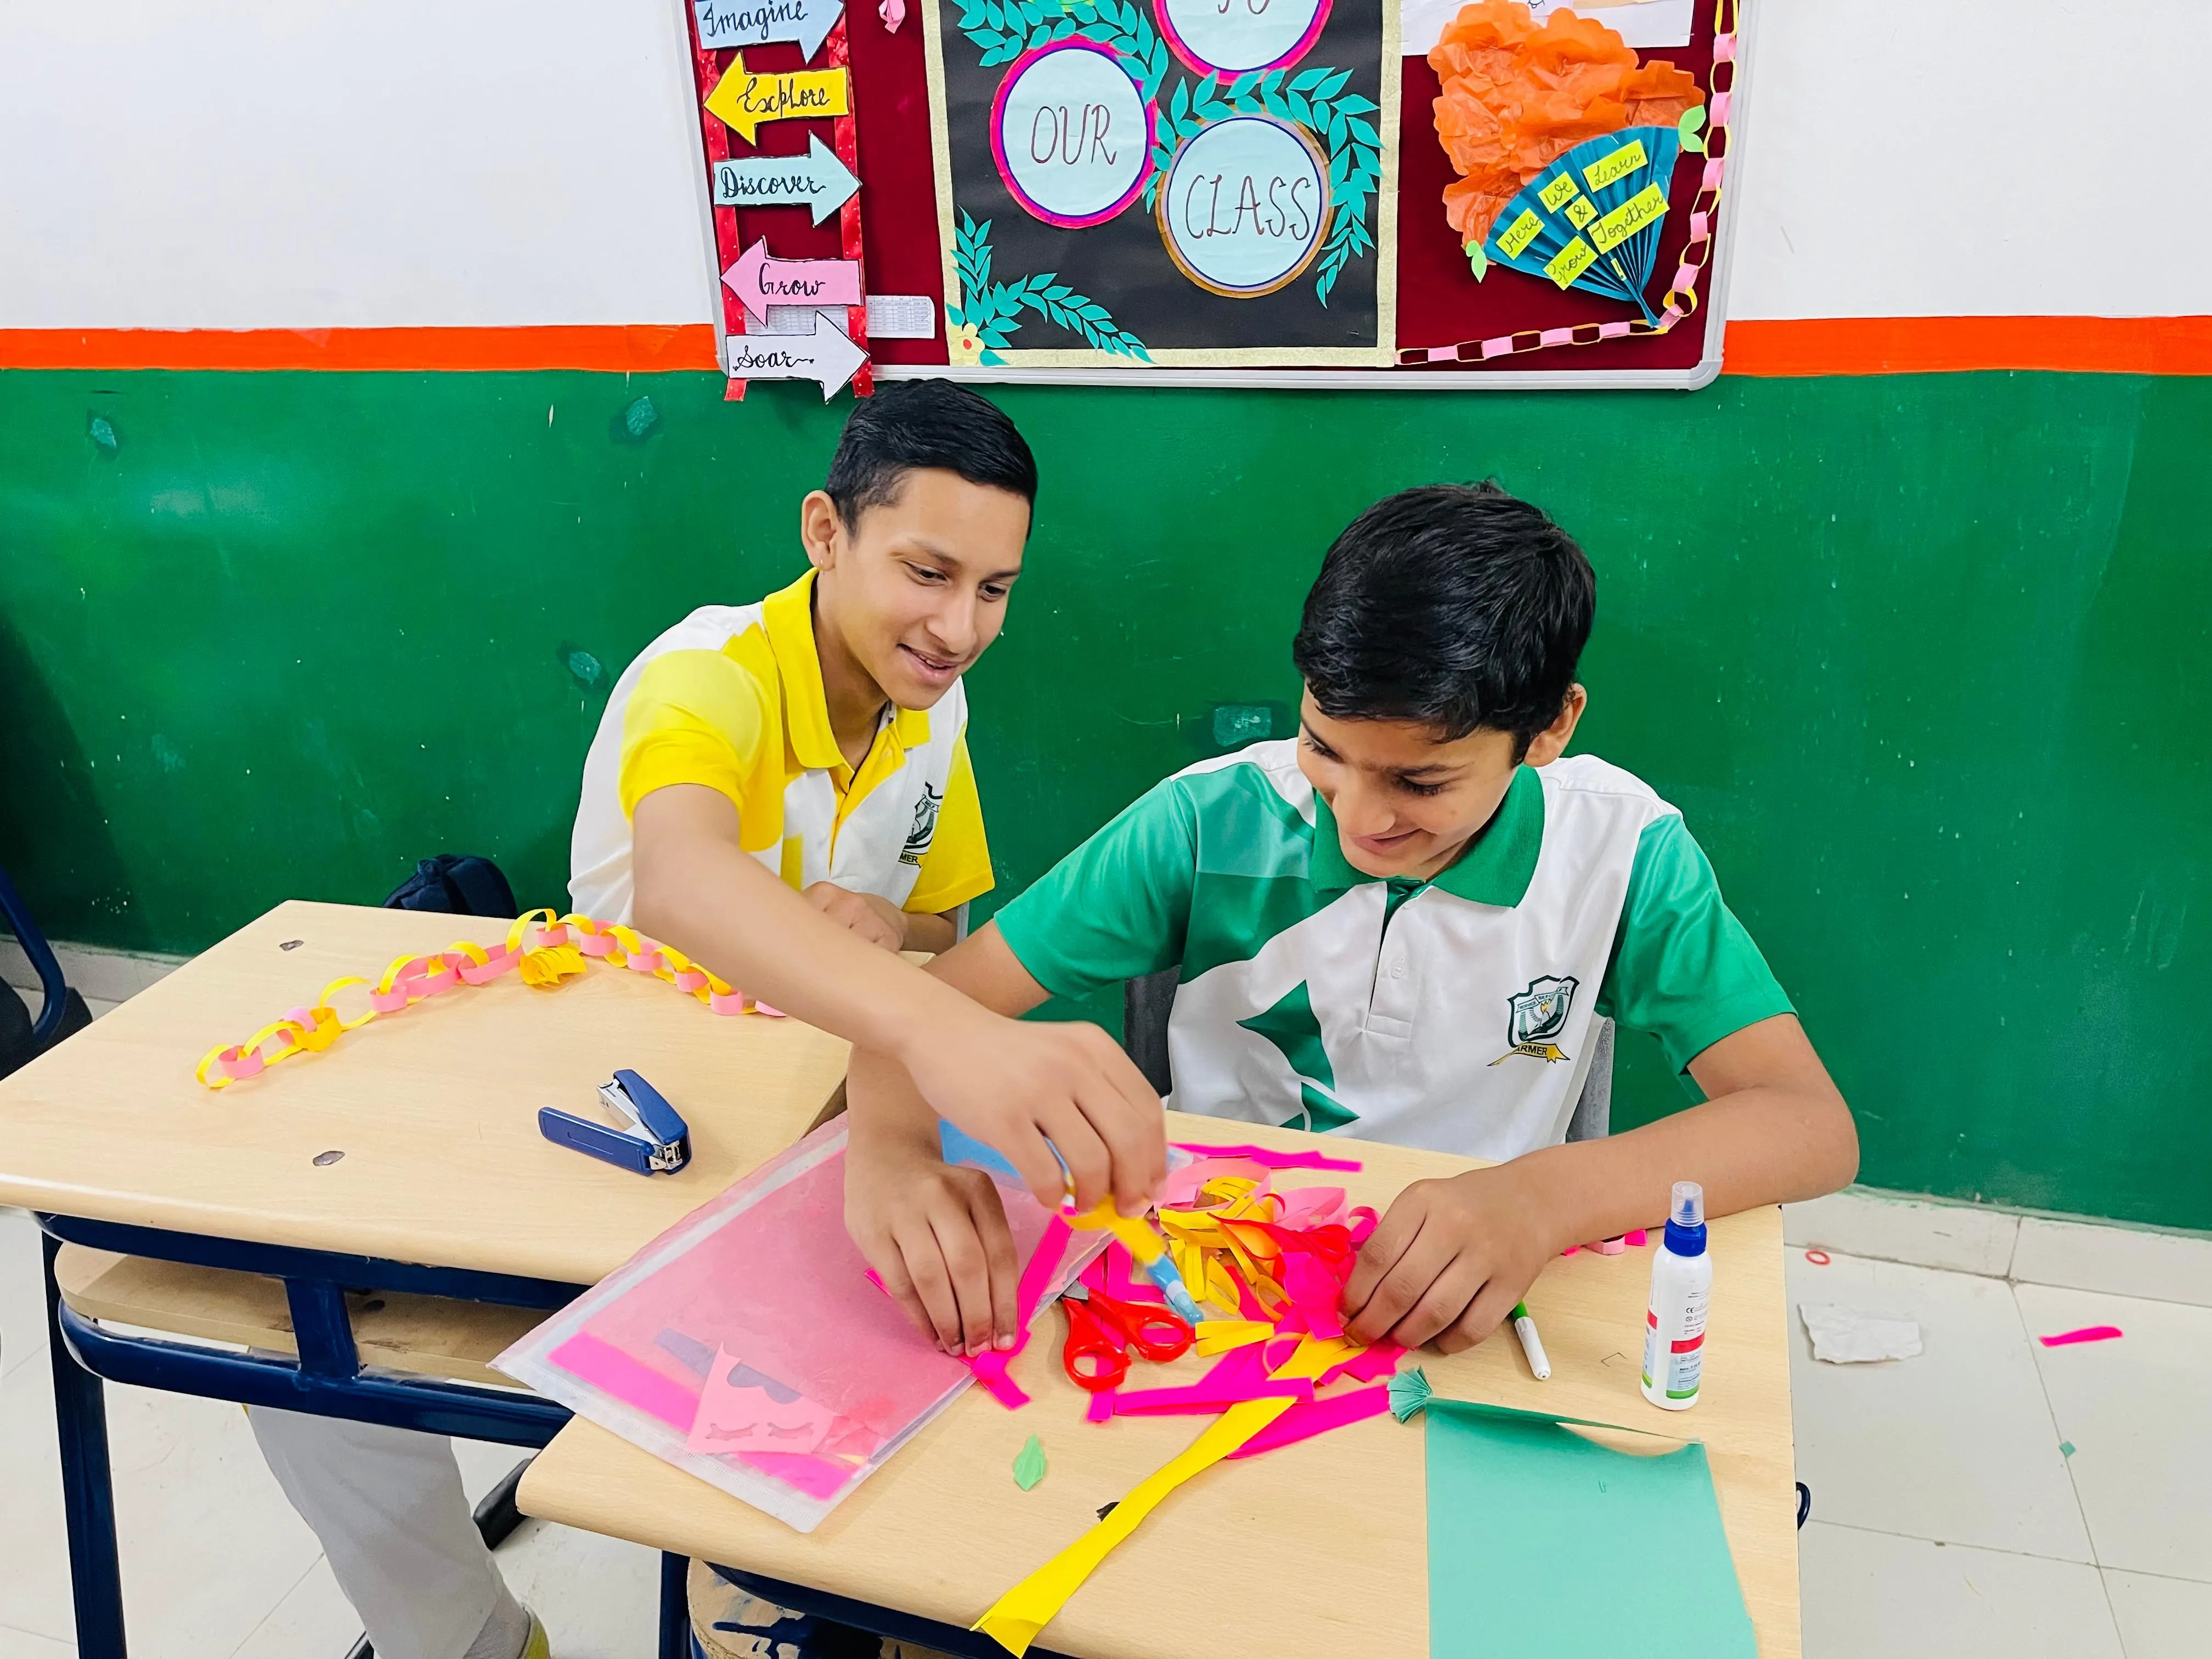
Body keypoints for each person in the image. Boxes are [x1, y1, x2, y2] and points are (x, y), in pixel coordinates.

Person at [250, 381, 1163, 1659]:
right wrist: (940, 1031)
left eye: (995, 589)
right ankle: (467, 1638)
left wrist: (884, 926)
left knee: (980, 1331)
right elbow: (682, 876)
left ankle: (834, 1595)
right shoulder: (709, 675)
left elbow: (941, 926)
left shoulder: (932, 705)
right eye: (927, 573)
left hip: (806, 1114)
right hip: (625, 1104)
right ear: (825, 532)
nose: (960, 627)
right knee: (279, 1323)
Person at [844, 481, 1858, 1361]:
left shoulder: (1623, 854)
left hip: (1466, 1303)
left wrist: (1542, 1200)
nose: (1361, 818)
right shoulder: (1208, 820)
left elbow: (1808, 1125)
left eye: (1421, 782)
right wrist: (893, 1156)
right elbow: (916, 1017)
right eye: (1324, 748)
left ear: (1550, 727)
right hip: (1207, 1288)